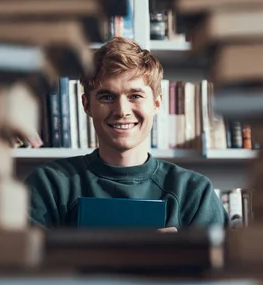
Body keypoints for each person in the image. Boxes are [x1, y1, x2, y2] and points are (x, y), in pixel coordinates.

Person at [25, 37, 228, 230]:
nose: (122, 110)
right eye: (106, 96)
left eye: (135, 96)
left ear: (157, 103)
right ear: (87, 105)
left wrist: (174, 256)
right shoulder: (49, 185)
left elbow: (219, 264)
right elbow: (22, 263)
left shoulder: (194, 192)